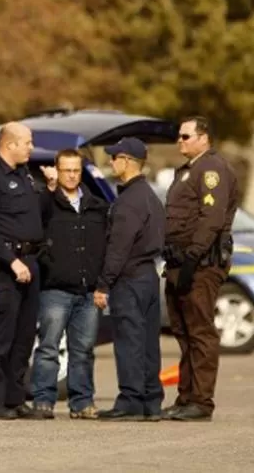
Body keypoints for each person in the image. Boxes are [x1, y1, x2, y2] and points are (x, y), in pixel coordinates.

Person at [161, 115, 239, 422]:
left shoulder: (212, 170)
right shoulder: (189, 170)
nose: (179, 141)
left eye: (185, 136)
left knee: (200, 332)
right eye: (179, 136)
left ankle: (201, 402)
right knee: (183, 332)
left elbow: (212, 219)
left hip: (201, 264)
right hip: (180, 263)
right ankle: (186, 397)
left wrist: (192, 257)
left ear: (203, 138)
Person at [0, 121, 47, 420]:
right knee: (1, 334)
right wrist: (11, 261)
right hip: (4, 266)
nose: (31, 147)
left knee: (24, 335)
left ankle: (15, 398)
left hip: (29, 262)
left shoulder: (24, 174)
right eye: (27, 142)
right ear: (10, 144)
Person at [29, 148, 109, 420]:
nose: (72, 176)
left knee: (83, 351)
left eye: (76, 170)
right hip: (56, 289)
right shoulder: (47, 203)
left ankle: (82, 402)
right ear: (57, 170)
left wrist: (102, 283)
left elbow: (107, 244)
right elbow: (33, 226)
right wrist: (49, 189)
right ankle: (42, 401)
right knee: (49, 347)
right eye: (66, 170)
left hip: (88, 291)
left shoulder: (96, 206)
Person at [91, 136, 167, 422]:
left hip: (130, 279)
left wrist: (103, 284)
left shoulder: (128, 202)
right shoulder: (150, 196)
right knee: (148, 341)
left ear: (127, 161)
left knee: (129, 340)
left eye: (114, 157)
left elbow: (118, 248)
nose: (111, 162)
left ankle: (131, 400)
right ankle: (151, 400)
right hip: (148, 276)